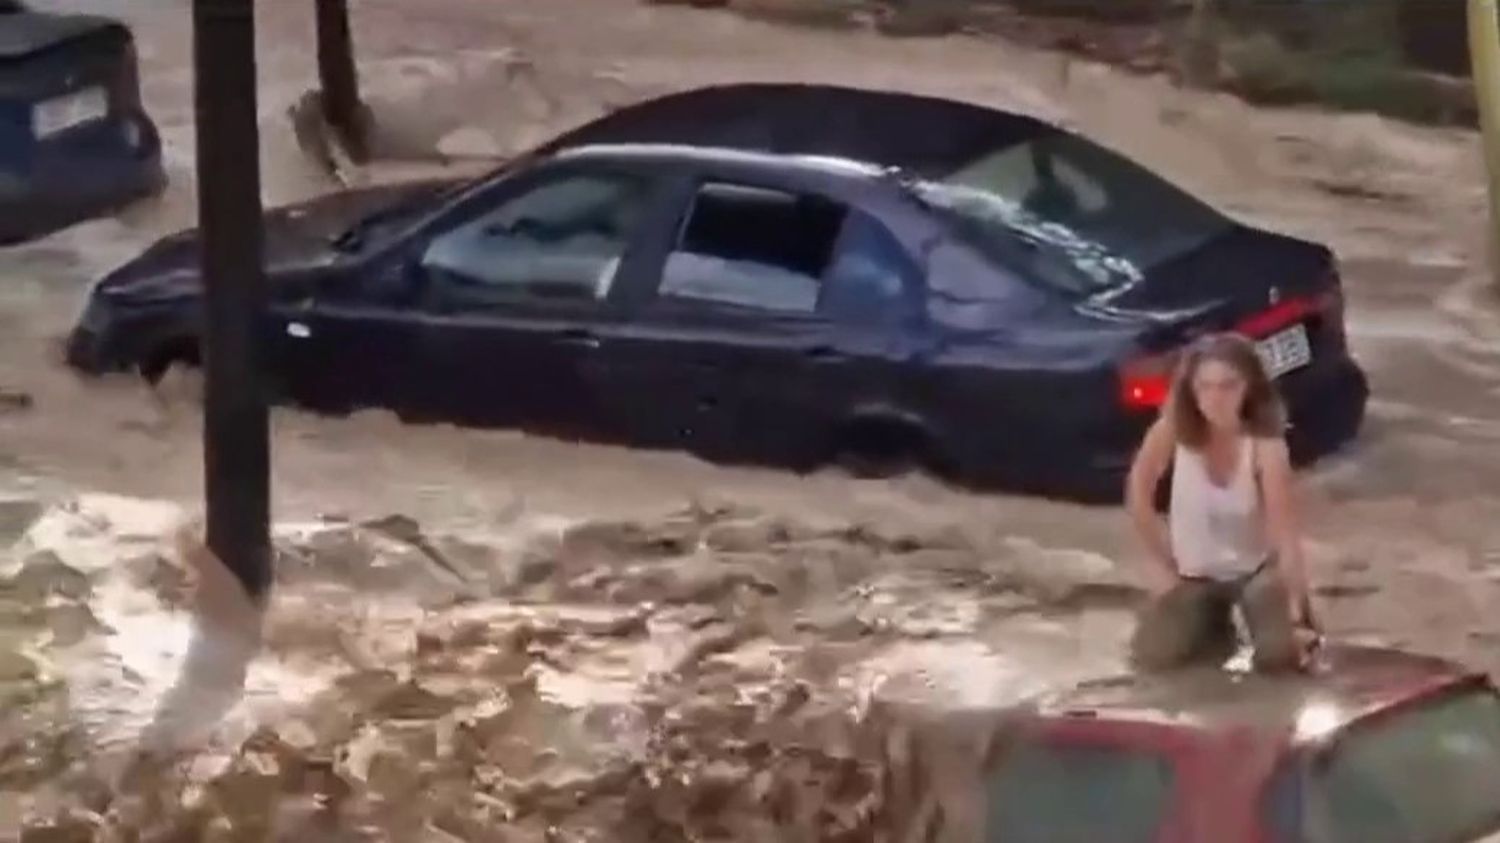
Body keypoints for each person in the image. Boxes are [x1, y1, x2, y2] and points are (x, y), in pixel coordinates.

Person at [1124, 332, 1317, 672]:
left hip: (1253, 571)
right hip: (1194, 574)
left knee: (1279, 659)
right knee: (1153, 659)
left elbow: (1285, 533)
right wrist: (1164, 561)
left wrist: (1297, 613)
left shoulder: (1265, 446)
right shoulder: (1170, 431)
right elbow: (1138, 492)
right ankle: (1213, 627)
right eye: (1205, 387)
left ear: (1248, 389)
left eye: (1228, 386)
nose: (1215, 398)